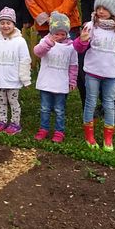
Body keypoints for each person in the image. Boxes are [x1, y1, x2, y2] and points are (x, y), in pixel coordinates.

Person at [74, 0, 115, 152]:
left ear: (113, 10)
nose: (100, 11)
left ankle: (108, 138)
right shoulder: (90, 26)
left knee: (109, 104)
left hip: (111, 74)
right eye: (98, 7)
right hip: (92, 72)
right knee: (90, 102)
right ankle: (89, 136)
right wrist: (82, 40)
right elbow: (79, 48)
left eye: (105, 8)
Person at [0, 7, 32, 135]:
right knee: (1, 102)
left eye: (8, 23)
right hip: (0, 79)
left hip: (13, 80)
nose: (5, 26)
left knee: (13, 102)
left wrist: (25, 79)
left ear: (13, 24)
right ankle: (2, 121)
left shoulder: (20, 42)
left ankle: (15, 123)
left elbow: (25, 61)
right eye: (2, 23)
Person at [33, 12, 78, 143]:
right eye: (56, 34)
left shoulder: (71, 47)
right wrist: (49, 43)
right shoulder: (45, 42)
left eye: (62, 34)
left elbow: (73, 65)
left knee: (59, 109)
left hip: (61, 84)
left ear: (67, 33)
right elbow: (37, 52)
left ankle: (59, 131)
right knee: (45, 108)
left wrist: (72, 80)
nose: (59, 37)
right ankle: (44, 128)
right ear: (51, 32)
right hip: (46, 83)